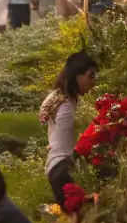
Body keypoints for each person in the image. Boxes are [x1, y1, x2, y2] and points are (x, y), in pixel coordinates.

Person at [41, 51, 99, 210]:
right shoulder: (65, 103)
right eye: (90, 75)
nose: (93, 81)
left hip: (57, 167)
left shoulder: (62, 97)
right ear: (77, 76)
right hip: (61, 169)